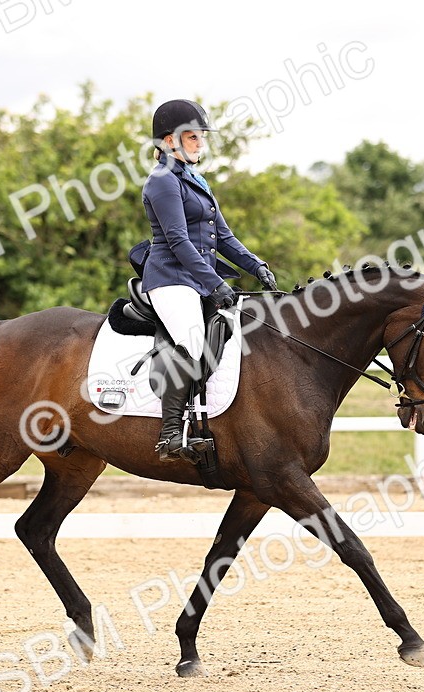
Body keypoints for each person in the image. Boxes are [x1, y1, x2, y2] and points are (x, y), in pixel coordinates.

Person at [141, 99, 278, 462]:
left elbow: (225, 237)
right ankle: (170, 433)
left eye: (200, 136)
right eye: (191, 136)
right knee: (191, 339)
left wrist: (256, 266)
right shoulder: (162, 181)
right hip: (171, 278)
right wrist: (215, 282)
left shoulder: (196, 179)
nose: (199, 142)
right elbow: (178, 240)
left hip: (198, 278)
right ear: (168, 141)